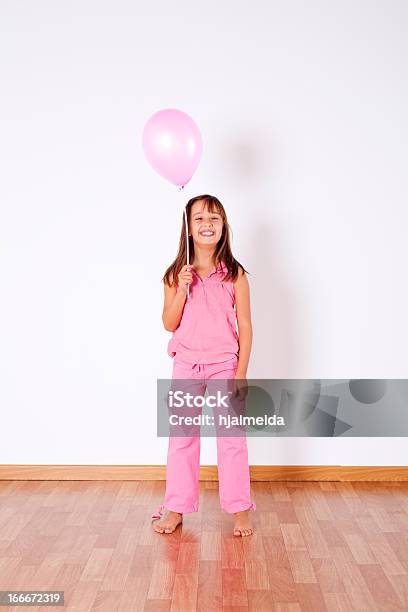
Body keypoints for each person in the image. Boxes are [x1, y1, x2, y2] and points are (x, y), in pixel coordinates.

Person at [151, 194, 256, 536]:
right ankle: (177, 508)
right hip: (186, 366)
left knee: (231, 440)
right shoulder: (174, 275)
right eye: (199, 219)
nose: (206, 224)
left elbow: (246, 327)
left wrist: (240, 374)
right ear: (188, 228)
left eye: (214, 218)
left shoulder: (235, 275)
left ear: (224, 226)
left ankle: (240, 510)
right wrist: (181, 289)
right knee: (181, 439)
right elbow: (169, 322)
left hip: (224, 366)